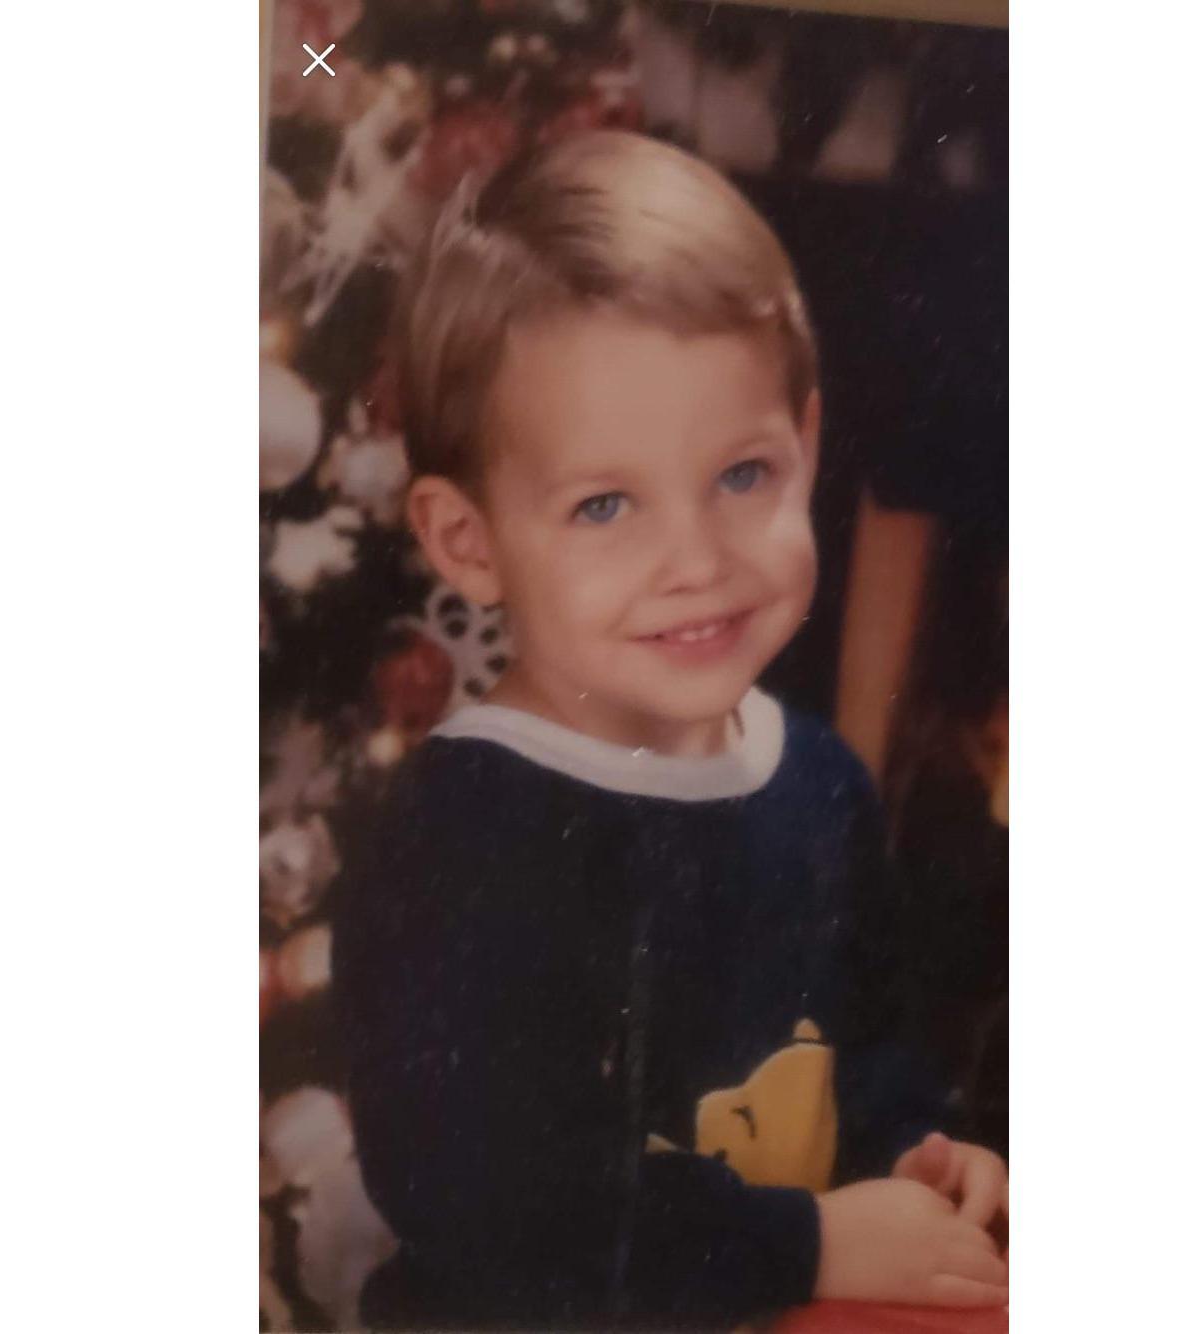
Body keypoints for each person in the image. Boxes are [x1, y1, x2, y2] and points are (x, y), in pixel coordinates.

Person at [333, 129, 1007, 1331]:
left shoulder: (820, 782)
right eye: (604, 503)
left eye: (742, 475)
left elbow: (862, 1062)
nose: (695, 559)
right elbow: (487, 1201)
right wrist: (806, 1243)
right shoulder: (460, 834)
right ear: (468, 543)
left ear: (805, 445)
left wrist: (920, 1157)